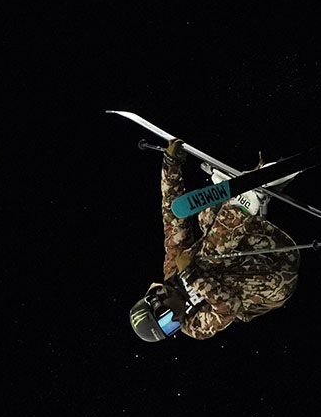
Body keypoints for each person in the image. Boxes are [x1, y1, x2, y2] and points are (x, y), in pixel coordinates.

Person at [128, 140, 301, 342]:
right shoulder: (194, 326)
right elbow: (229, 308)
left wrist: (171, 166)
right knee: (205, 260)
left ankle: (246, 193)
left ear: (158, 298)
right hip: (276, 281)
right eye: (171, 329)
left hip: (270, 249)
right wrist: (190, 275)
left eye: (167, 320)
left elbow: (174, 219)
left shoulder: (172, 269)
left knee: (206, 218)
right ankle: (245, 200)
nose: (176, 319)